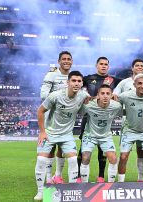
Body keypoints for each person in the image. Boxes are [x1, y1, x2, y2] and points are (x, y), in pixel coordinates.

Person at [34, 71, 89, 201]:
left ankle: (73, 191)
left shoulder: (83, 96)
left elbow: (85, 109)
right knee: (41, 160)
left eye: (79, 81)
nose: (76, 83)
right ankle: (41, 191)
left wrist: (88, 104)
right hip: (50, 132)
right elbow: (40, 111)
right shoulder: (55, 95)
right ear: (68, 82)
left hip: (67, 134)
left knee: (72, 159)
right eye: (73, 80)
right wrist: (42, 132)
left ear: (82, 83)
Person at [78, 56, 121, 183]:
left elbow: (130, 82)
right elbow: (76, 84)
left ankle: (101, 176)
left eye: (106, 64)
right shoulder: (88, 78)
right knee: (84, 151)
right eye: (101, 64)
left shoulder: (114, 80)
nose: (103, 66)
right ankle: (80, 177)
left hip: (104, 117)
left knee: (103, 152)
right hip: (89, 115)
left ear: (108, 66)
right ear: (96, 65)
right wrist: (85, 97)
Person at [113, 59, 143, 181]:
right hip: (129, 121)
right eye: (137, 65)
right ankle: (121, 182)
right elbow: (115, 96)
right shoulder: (124, 83)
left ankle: (141, 179)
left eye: (142, 66)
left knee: (142, 151)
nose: (139, 67)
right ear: (132, 68)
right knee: (124, 154)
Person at [40, 51, 73, 184]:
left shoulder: (72, 77)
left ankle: (57, 175)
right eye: (64, 59)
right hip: (51, 117)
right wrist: (59, 100)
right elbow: (43, 95)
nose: (66, 61)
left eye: (69, 59)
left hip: (66, 118)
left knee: (63, 147)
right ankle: (48, 177)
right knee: (50, 147)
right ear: (59, 61)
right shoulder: (51, 75)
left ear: (72, 62)